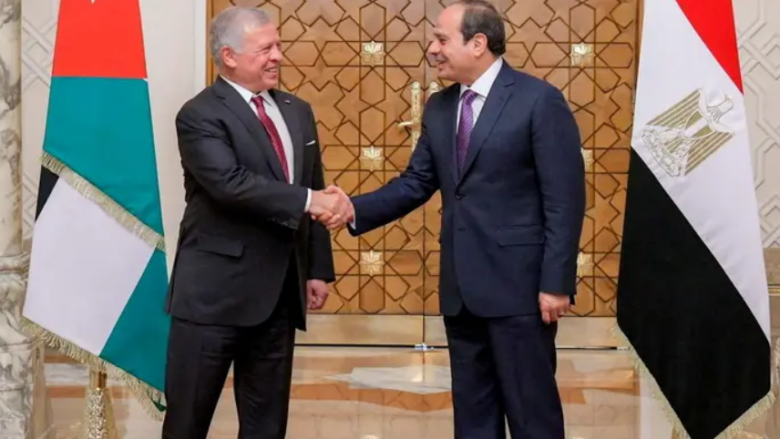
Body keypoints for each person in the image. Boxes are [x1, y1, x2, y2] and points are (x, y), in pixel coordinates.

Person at [319, 1, 585, 437]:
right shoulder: (441, 107)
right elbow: (416, 182)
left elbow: (565, 200)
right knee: (473, 418)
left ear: (478, 43)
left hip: (520, 290)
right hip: (461, 291)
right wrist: (353, 208)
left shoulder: (538, 101)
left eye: (442, 39)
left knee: (532, 416)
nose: (432, 49)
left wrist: (557, 282)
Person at [162, 7, 351, 439]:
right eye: (265, 49)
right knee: (187, 422)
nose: (277, 56)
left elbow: (312, 182)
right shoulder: (200, 114)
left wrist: (317, 268)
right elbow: (231, 184)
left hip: (278, 295)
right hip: (213, 297)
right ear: (229, 56)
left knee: (266, 425)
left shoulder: (297, 110)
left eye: (277, 46)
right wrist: (311, 201)